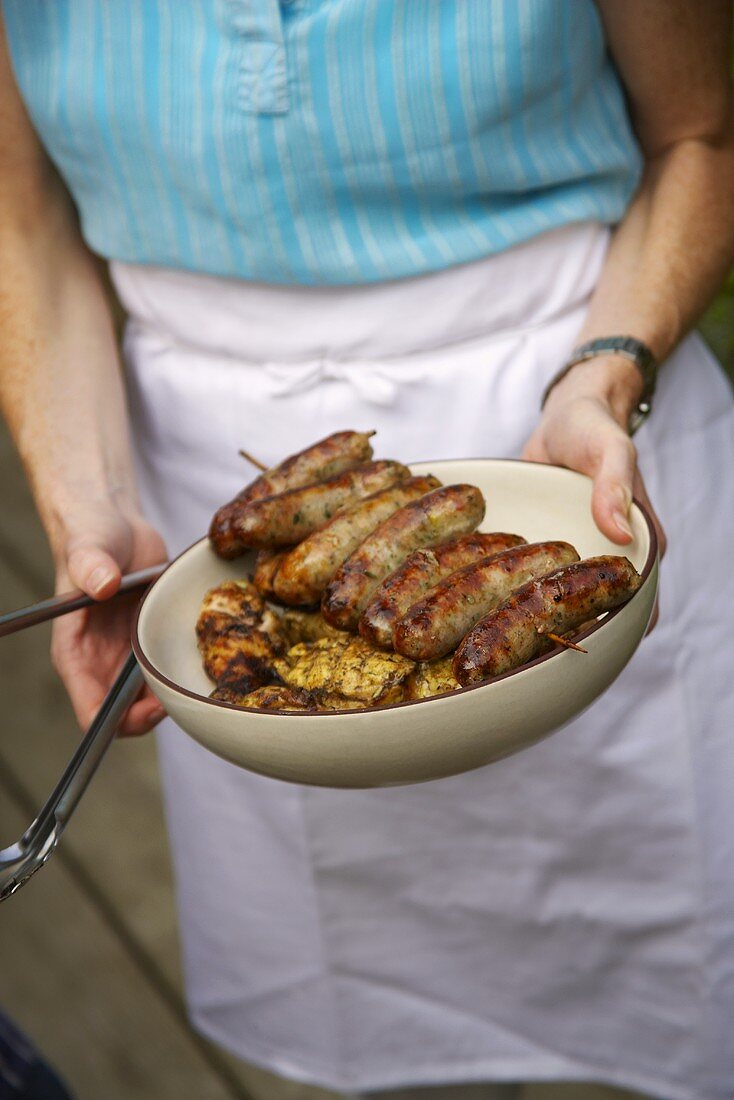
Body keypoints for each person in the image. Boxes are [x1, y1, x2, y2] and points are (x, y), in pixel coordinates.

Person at [1, 3, 733, 1099]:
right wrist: (83, 510)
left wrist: (607, 371)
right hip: (217, 510)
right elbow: (21, 215)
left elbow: (701, 136)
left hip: (576, 450)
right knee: (384, 1030)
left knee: (670, 962)